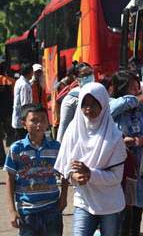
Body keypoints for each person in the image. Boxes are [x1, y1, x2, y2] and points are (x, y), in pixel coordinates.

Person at [54, 82, 127, 236]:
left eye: (94, 104)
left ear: (104, 105)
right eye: (84, 104)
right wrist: (73, 175)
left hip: (110, 205)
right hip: (84, 201)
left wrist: (90, 174)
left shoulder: (114, 137)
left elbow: (116, 177)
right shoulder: (73, 131)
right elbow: (66, 166)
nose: (88, 109)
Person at [5, 104, 68, 236]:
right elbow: (10, 180)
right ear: (24, 123)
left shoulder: (56, 147)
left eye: (43, 119)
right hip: (27, 212)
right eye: (34, 120)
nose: (39, 124)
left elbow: (64, 173)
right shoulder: (17, 149)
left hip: (52, 209)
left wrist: (63, 198)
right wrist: (12, 211)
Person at [109, 70, 143, 236]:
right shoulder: (113, 106)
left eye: (137, 86)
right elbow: (110, 110)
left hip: (141, 164)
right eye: (130, 87)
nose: (136, 90)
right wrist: (134, 99)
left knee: (137, 210)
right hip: (120, 166)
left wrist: (139, 140)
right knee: (122, 211)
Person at [56, 62, 95, 143]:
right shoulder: (71, 99)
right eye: (84, 75)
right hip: (77, 142)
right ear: (76, 78)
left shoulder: (98, 93)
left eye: (90, 73)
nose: (88, 77)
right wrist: (59, 148)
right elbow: (64, 125)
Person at [12, 64, 33, 140]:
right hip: (22, 119)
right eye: (32, 72)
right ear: (29, 72)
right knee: (22, 142)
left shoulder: (19, 81)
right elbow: (25, 105)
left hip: (19, 118)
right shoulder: (24, 85)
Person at [0, 61, 15, 163]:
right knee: (12, 136)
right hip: (9, 113)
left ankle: (2, 158)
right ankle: (13, 158)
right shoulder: (10, 81)